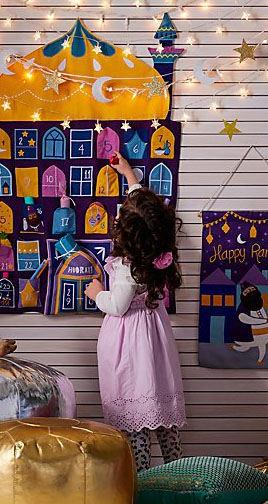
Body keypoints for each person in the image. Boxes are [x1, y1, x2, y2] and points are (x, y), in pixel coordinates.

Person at [84, 151, 187, 472]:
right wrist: (129, 177)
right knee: (160, 410)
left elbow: (117, 305)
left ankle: (141, 483)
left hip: (128, 342)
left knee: (136, 420)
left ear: (126, 235)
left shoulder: (128, 267)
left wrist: (97, 292)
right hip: (154, 338)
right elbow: (146, 213)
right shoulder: (157, 250)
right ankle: (177, 475)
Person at [230, 282, 268, 365]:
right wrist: (264, 321)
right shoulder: (243, 307)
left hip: (263, 332)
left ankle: (260, 360)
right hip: (249, 334)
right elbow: (244, 318)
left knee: (261, 344)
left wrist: (266, 321)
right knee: (245, 347)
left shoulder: (259, 305)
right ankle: (233, 347)